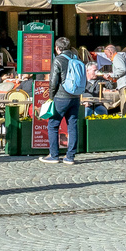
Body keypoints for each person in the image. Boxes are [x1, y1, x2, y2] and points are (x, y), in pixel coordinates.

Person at [43, 37, 88, 165]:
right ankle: (70, 157)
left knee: (53, 124)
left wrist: (51, 97)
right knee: (72, 126)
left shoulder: (58, 60)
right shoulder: (76, 59)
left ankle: (54, 155)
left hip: (61, 97)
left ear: (57, 48)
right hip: (75, 97)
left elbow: (53, 81)